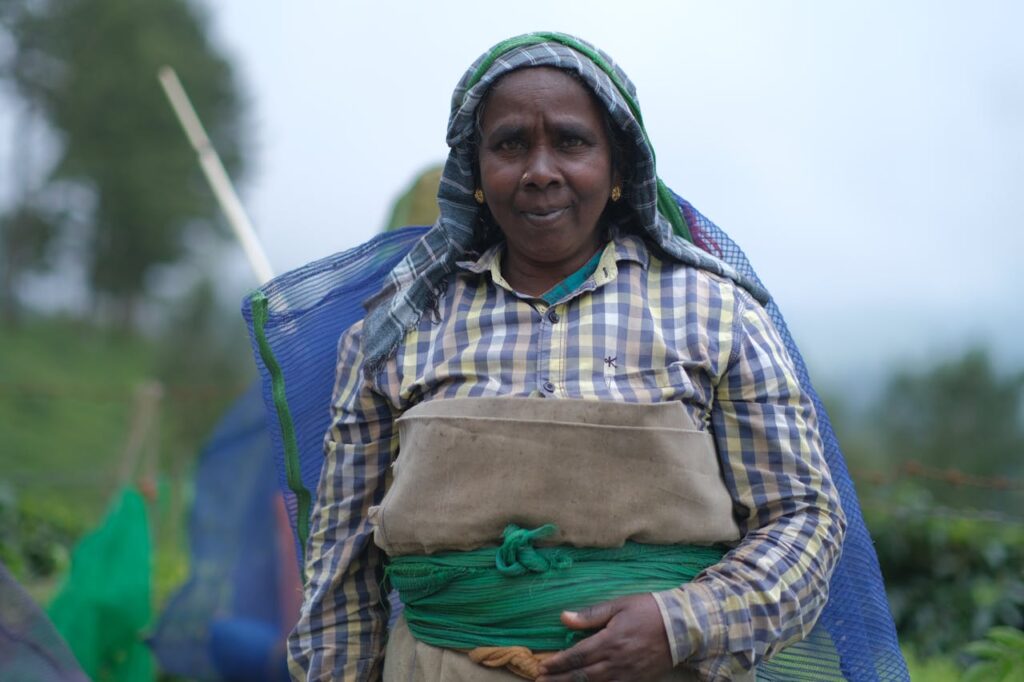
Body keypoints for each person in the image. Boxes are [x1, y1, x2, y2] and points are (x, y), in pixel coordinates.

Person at [288, 33, 846, 681]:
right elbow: (340, 565)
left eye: (573, 142)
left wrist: (683, 622)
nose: (540, 170)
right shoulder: (397, 329)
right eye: (510, 144)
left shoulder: (717, 316)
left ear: (619, 168)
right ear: (473, 173)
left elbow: (804, 518)